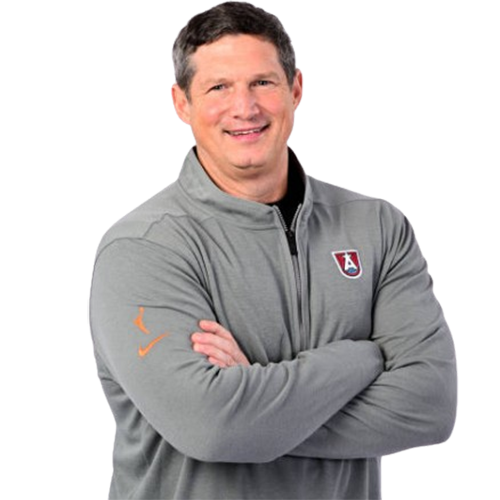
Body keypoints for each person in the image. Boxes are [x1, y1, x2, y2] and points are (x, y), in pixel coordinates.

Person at [89, 2, 458, 499]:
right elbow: (212, 427)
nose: (245, 108)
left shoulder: (376, 228)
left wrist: (256, 415)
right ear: (182, 103)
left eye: (262, 82)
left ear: (296, 90)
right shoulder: (143, 249)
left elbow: (430, 408)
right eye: (218, 88)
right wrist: (362, 357)